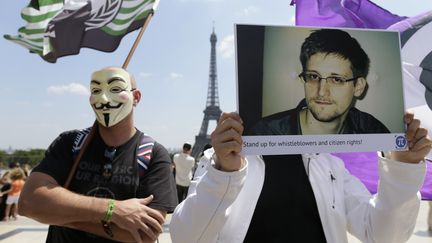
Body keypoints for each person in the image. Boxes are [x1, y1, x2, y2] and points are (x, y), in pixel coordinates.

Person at [170, 112, 431, 243]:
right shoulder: (221, 161)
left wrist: (403, 169)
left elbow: (381, 235)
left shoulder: (330, 166)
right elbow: (186, 237)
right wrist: (224, 172)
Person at [18, 67, 177, 243]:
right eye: (96, 90)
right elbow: (29, 203)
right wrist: (112, 211)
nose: (104, 98)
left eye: (115, 89)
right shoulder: (70, 143)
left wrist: (61, 215)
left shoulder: (153, 154)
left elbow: (145, 234)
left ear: (136, 97)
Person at [248, 29, 390, 135]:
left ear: (358, 87)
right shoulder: (265, 133)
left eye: (336, 79)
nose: (321, 91)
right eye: (313, 77)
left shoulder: (371, 129)